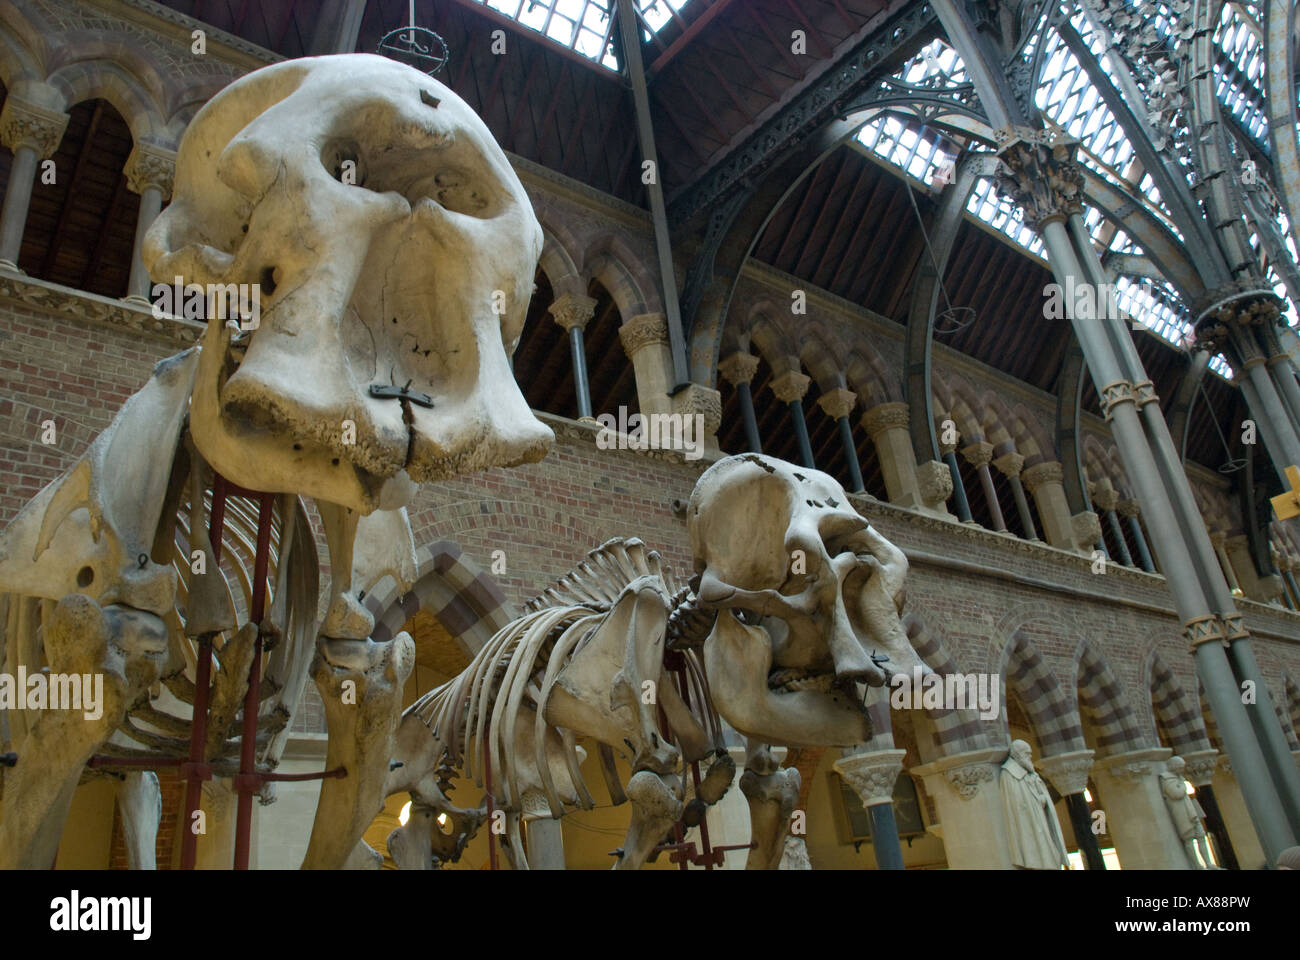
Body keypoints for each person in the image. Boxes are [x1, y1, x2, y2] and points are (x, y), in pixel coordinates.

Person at [1000, 739, 1070, 869]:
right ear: (1018, 754)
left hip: (1039, 820)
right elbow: (1018, 805)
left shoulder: (1029, 772)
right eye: (1027, 754)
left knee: (1049, 852)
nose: (1030, 757)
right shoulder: (1009, 773)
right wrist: (1039, 800)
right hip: (1030, 825)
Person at [1160, 755, 1213, 869]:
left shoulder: (1179, 778)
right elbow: (1176, 793)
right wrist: (1183, 785)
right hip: (1181, 813)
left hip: (1190, 811)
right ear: (1174, 767)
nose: (1182, 770)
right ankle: (1197, 865)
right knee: (1189, 839)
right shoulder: (1167, 779)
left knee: (1201, 835)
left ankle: (1208, 863)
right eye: (1180, 767)